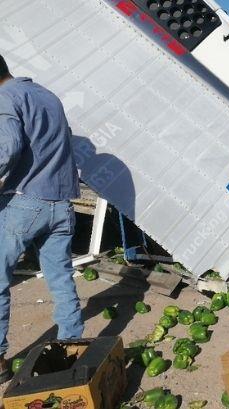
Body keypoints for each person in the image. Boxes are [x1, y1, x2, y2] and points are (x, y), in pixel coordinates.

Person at [0, 54, 84, 381]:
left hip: (24, 202)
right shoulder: (46, 95)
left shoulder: (6, 97)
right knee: (61, 277)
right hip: (61, 203)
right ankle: (72, 345)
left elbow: (7, 148)